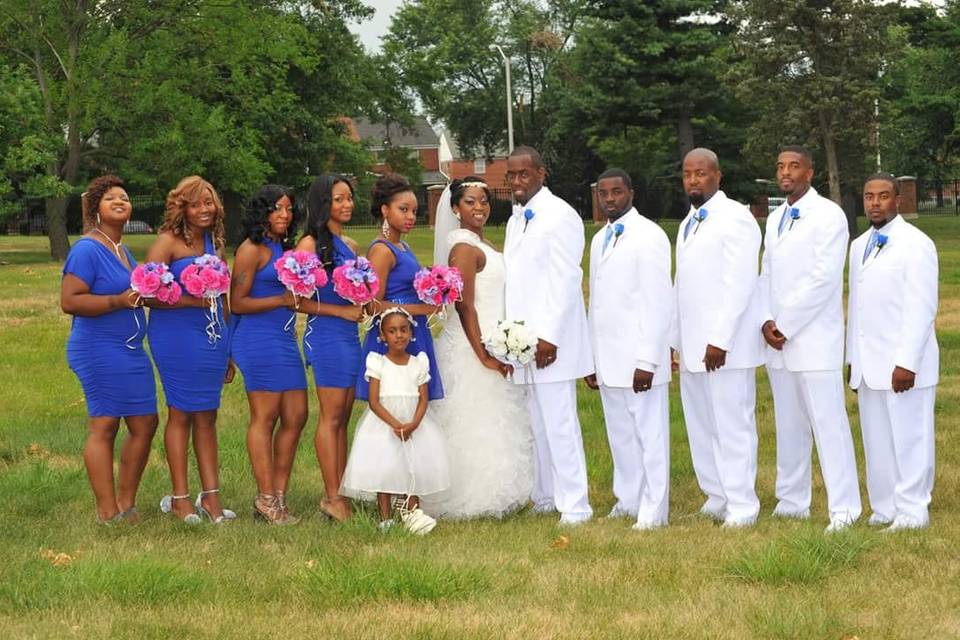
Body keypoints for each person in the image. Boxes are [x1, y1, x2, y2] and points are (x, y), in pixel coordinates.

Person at [758, 145, 861, 533]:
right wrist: (765, 319)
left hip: (813, 339)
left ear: (810, 172)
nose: (786, 172)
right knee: (789, 424)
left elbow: (824, 278)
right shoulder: (775, 217)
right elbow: (766, 271)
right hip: (778, 342)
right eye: (781, 166)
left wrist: (786, 323)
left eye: (794, 167)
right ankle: (792, 500)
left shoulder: (829, 215)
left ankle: (845, 508)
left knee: (828, 424)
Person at [420, 177, 534, 519]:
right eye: (470, 201)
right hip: (472, 343)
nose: (479, 207)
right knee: (473, 419)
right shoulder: (463, 249)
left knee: (494, 419)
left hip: (492, 339)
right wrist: (482, 353)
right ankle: (471, 496)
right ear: (456, 209)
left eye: (483, 200)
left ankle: (499, 493)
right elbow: (463, 305)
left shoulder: (478, 243)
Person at [503, 146, 594, 526]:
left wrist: (550, 337)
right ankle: (545, 495)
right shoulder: (515, 220)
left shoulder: (561, 216)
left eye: (525, 174)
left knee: (559, 423)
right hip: (521, 342)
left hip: (549, 343)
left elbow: (566, 278)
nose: (518, 181)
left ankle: (575, 505)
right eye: (512, 175)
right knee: (536, 424)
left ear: (542, 173)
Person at [673, 148, 764, 528]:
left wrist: (720, 340)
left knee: (732, 424)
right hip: (692, 344)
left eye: (701, 174)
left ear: (718, 176)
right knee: (702, 424)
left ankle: (743, 504)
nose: (694, 180)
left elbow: (740, 283)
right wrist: (675, 341)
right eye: (688, 174)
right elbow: (681, 287)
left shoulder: (737, 219)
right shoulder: (687, 222)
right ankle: (717, 494)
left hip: (725, 346)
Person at [61, 175, 158, 523]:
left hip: (131, 350)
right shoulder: (87, 249)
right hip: (98, 348)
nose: (121, 201)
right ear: (95, 208)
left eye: (125, 197)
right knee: (105, 426)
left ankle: (126, 502)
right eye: (111, 198)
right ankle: (107, 511)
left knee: (145, 423)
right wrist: (118, 300)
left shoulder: (123, 250)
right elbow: (69, 300)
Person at [847, 173, 939, 532]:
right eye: (869, 196)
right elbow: (856, 306)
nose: (874, 202)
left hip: (903, 365)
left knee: (910, 438)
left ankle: (913, 511)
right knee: (877, 440)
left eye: (883, 196)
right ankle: (884, 507)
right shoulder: (859, 245)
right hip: (868, 364)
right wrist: (852, 358)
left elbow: (921, 308)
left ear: (897, 200)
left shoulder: (916, 244)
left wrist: (907, 362)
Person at [585, 169, 673, 531]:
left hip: (639, 357)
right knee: (620, 434)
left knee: (649, 435)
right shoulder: (600, 238)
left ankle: (654, 508)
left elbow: (658, 301)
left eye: (616, 192)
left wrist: (648, 359)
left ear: (631, 193)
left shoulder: (649, 235)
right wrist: (590, 357)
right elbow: (597, 304)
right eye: (603, 193)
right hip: (608, 357)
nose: (609, 199)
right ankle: (629, 498)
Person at [147, 176, 234, 524]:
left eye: (208, 202)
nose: (203, 209)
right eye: (196, 203)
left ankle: (211, 498)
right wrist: (191, 301)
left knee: (208, 415)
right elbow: (146, 292)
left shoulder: (215, 242)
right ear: (181, 207)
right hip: (175, 336)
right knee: (181, 412)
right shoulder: (167, 242)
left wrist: (227, 348)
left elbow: (223, 296)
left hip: (213, 335)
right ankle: (180, 498)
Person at [231, 185, 308, 525]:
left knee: (297, 415)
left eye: (289, 209)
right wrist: (280, 301)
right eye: (277, 209)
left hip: (284, 339)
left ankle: (279, 494)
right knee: (265, 416)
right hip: (257, 339)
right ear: (262, 212)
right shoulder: (252, 249)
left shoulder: (284, 248)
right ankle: (265, 498)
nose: (284, 215)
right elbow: (236, 303)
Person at [341, 308, 449, 534]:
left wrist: (413, 425)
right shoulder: (377, 362)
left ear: (411, 333)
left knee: (412, 467)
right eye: (392, 331)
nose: (398, 335)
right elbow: (373, 401)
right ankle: (385, 519)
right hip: (384, 424)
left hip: (414, 423)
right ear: (382, 336)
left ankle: (412, 513)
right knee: (385, 469)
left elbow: (423, 399)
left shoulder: (419, 362)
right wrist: (395, 424)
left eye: (403, 330)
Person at [295, 174, 365, 523]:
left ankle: (340, 490)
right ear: (323, 203)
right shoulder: (308, 245)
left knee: (344, 417)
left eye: (349, 198)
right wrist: (341, 311)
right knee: (331, 414)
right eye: (338, 199)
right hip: (326, 335)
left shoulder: (350, 246)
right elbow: (297, 302)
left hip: (351, 336)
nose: (346, 204)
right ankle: (331, 495)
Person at [355, 174, 443, 402]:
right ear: (385, 210)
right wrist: (420, 309)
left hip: (413, 329)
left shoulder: (402, 245)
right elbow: (373, 306)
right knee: (399, 401)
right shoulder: (382, 250)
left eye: (414, 211)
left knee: (416, 400)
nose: (411, 216)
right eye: (403, 210)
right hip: (395, 334)